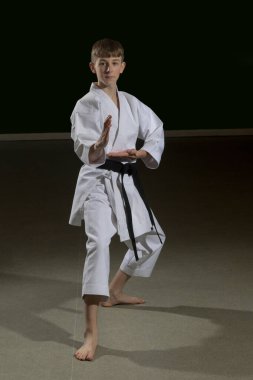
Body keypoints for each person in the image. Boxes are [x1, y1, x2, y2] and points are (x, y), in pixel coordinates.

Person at [69, 38, 166, 361]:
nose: (108, 68)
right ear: (92, 66)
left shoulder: (132, 102)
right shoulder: (86, 105)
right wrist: (98, 143)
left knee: (153, 240)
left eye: (114, 62)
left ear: (122, 67)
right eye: (102, 62)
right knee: (98, 243)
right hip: (97, 180)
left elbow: (156, 129)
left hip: (125, 178)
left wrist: (141, 152)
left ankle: (114, 290)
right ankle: (90, 333)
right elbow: (88, 152)